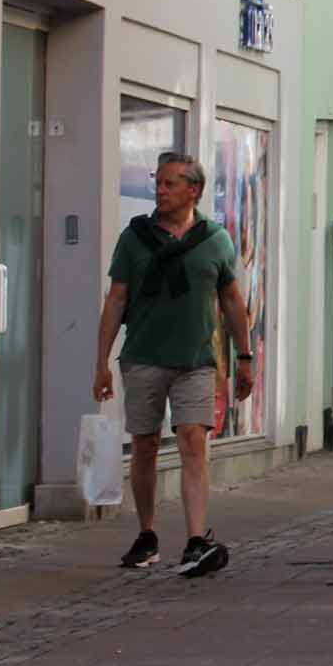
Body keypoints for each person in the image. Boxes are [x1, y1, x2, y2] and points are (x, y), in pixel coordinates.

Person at [94, 152, 255, 577]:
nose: (160, 191)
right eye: (158, 183)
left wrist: (245, 356)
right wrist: (101, 362)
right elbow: (116, 300)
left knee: (192, 441)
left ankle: (196, 540)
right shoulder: (135, 239)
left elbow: (233, 303)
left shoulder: (214, 240)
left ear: (194, 190)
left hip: (196, 361)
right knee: (144, 444)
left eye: (170, 184)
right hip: (144, 357)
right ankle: (147, 534)